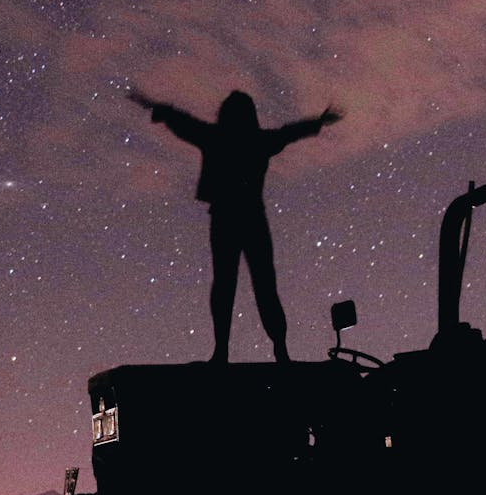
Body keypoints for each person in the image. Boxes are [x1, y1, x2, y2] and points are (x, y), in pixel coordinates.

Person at [127, 86, 342, 363]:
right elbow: (288, 132)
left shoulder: (217, 138)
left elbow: (186, 124)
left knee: (228, 286)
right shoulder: (257, 140)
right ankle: (277, 349)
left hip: (227, 217)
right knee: (260, 285)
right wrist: (318, 122)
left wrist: (164, 111)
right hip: (250, 217)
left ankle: (228, 351)